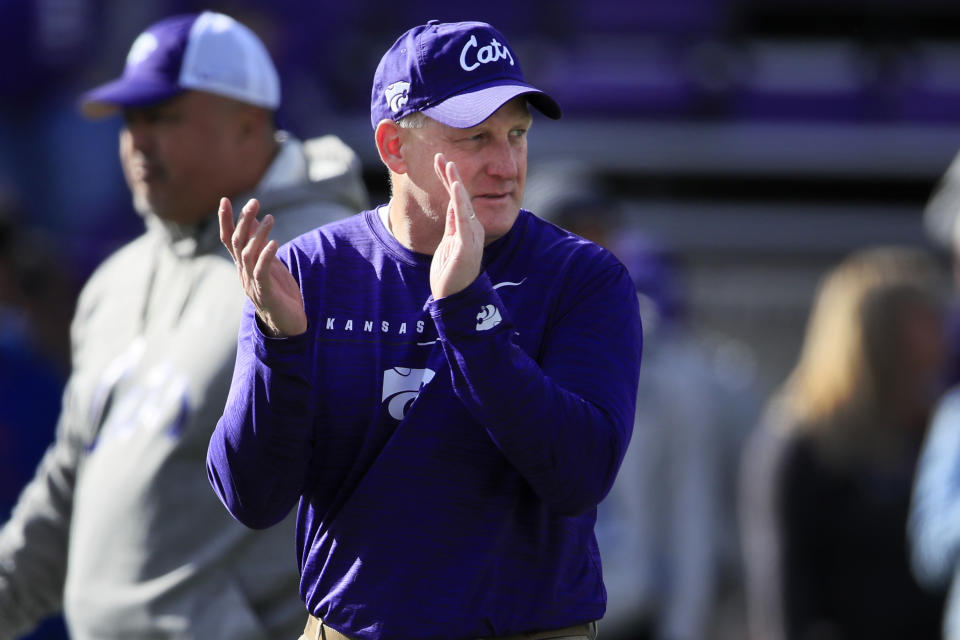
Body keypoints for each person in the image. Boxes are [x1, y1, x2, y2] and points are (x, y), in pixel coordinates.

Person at [206, 19, 643, 640]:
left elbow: (578, 476)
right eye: (475, 138)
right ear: (393, 146)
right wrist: (284, 346)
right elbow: (252, 498)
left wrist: (469, 312)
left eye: (516, 135)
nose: (505, 164)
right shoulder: (307, 273)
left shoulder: (583, 278)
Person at [0, 11, 368, 639]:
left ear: (250, 124)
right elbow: (66, 489)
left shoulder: (327, 260)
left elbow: (379, 481)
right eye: (130, 120)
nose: (138, 141)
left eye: (163, 118)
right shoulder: (117, 279)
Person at [739, 246, 948, 640]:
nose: (943, 331)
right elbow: (781, 603)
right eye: (927, 318)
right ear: (881, 337)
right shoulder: (799, 448)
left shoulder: (934, 434)